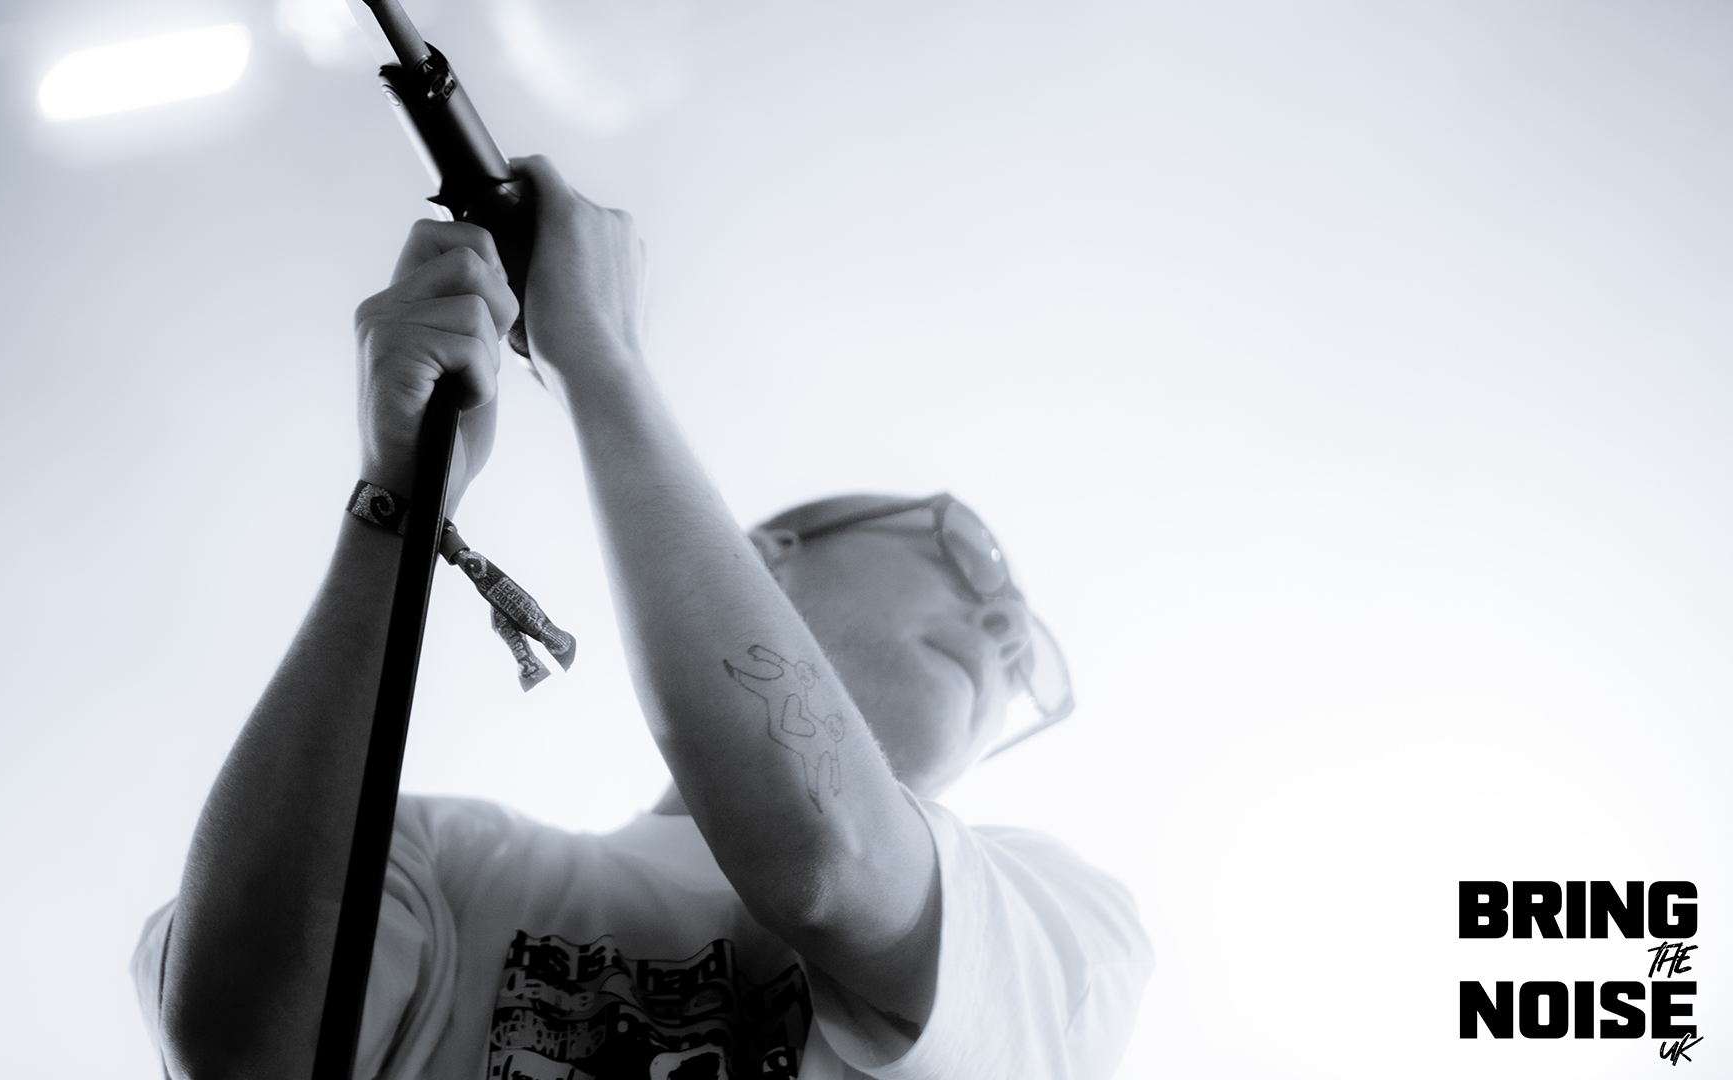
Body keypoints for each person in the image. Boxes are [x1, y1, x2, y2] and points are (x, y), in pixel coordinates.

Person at [132, 157, 1152, 1079]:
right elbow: (240, 1045)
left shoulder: (1061, 927)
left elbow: (828, 857)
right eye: (970, 557)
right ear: (768, 557)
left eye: (1028, 663)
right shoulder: (441, 862)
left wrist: (601, 355)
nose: (1006, 629)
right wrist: (400, 500)